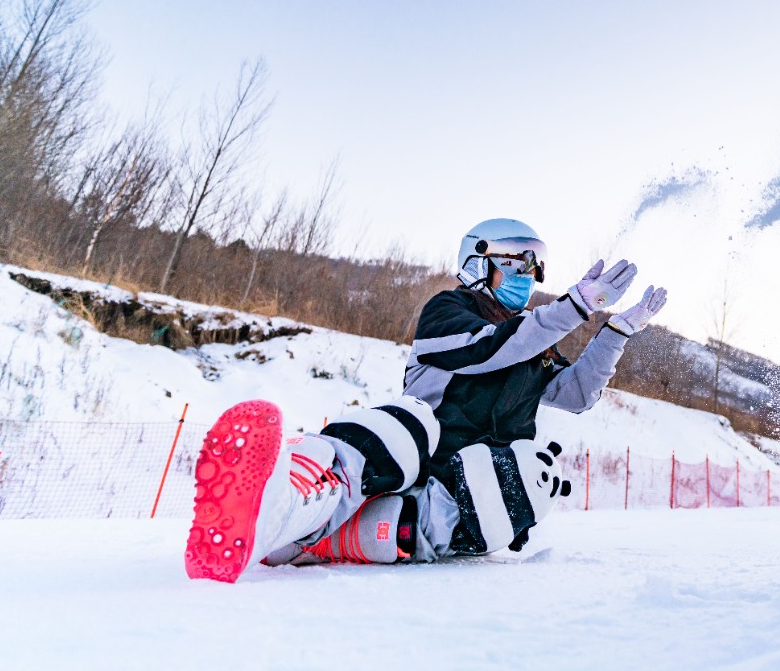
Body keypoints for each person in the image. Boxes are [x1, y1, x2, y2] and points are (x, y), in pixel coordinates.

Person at [184, 219, 666, 583]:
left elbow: (578, 394)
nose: (530, 275)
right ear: (479, 262)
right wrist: (574, 306)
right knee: (409, 423)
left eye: (536, 266)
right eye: (518, 263)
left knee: (533, 474)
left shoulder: (531, 342)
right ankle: (285, 498)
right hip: (411, 463)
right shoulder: (449, 311)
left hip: (466, 495)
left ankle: (312, 539)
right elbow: (487, 349)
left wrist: (616, 333)